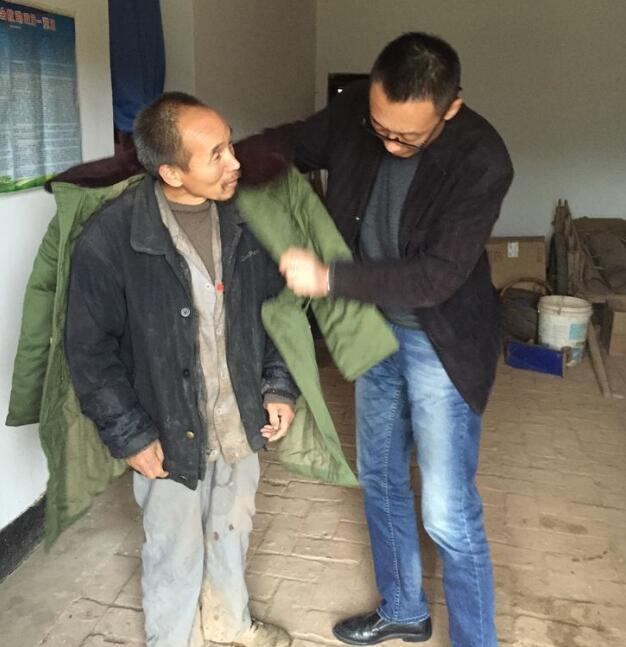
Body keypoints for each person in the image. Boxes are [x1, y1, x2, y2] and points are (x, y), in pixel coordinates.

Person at [241, 32, 514, 646]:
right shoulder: (358, 109)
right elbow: (292, 142)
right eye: (380, 129)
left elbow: (437, 276)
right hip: (372, 331)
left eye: (407, 138)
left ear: (450, 107)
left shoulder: (483, 159)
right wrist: (224, 159)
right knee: (382, 476)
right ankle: (404, 608)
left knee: (447, 510)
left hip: (440, 343)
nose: (389, 144)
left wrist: (329, 278)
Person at [65, 92, 297, 647]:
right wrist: (130, 434)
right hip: (166, 430)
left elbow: (275, 315)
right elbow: (89, 350)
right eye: (216, 154)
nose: (234, 162)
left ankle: (229, 622)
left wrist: (277, 386)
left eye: (230, 145)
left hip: (239, 416)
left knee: (233, 527)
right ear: (170, 172)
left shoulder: (244, 220)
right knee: (174, 546)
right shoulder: (113, 237)